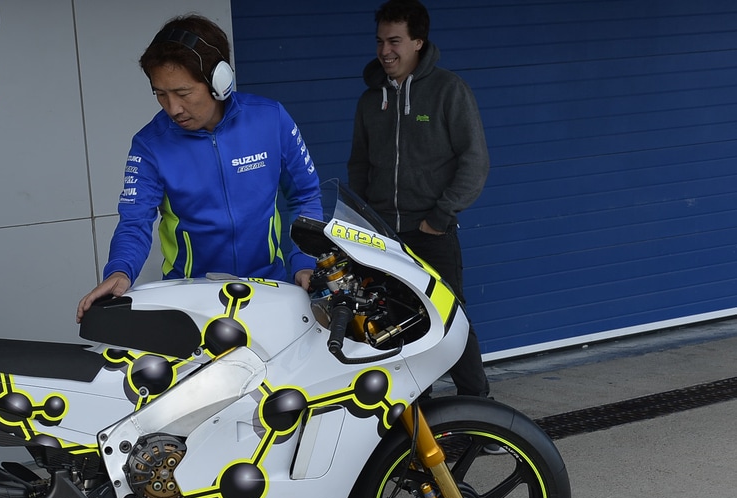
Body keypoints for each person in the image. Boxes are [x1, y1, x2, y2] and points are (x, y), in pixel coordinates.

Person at [77, 14, 322, 321]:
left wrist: (304, 262)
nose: (173, 108)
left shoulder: (271, 120)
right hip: (191, 302)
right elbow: (134, 222)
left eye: (182, 93)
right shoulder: (149, 145)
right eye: (160, 94)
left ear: (219, 82)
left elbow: (306, 196)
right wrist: (120, 270)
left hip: (270, 291)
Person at [346, 0, 491, 398]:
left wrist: (440, 217)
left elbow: (475, 161)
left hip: (431, 233)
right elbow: (359, 164)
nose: (385, 51)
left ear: (418, 43)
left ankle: (479, 407)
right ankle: (416, 412)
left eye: (395, 41)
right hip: (383, 239)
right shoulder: (370, 100)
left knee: (449, 321)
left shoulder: (448, 91)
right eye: (380, 41)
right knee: (397, 323)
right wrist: (364, 219)